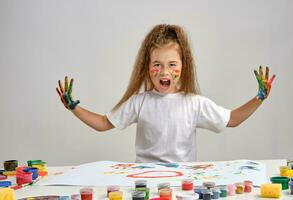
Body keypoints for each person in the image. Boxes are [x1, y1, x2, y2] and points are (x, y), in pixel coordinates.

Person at [56, 24, 276, 163]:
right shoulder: (140, 102)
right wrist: (74, 108)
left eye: (172, 64)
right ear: (147, 67)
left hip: (184, 183)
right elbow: (104, 123)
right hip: (145, 182)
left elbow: (232, 119)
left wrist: (259, 98)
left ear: (184, 65)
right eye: (157, 64)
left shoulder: (194, 103)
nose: (164, 71)